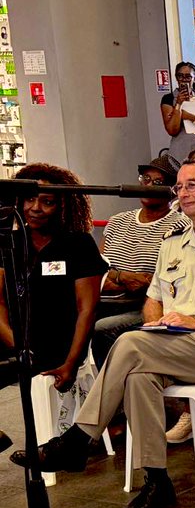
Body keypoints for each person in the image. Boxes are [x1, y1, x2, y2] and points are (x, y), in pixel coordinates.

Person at [11, 159, 195, 508]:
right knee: (138, 375)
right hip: (170, 345)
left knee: (129, 342)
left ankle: (79, 438)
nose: (183, 194)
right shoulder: (173, 243)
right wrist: (157, 325)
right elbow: (153, 298)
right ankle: (157, 480)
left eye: (192, 185)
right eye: (179, 187)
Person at [0, 164, 104, 393]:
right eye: (29, 199)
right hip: (14, 343)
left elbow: (87, 310)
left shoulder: (78, 244)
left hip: (58, 347)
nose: (35, 208)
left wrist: (71, 363)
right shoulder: (9, 242)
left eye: (47, 202)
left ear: (62, 205)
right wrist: (19, 347)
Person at [94, 156, 189, 366]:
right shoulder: (118, 221)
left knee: (102, 329)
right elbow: (98, 268)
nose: (149, 186)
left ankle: (114, 385)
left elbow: (162, 281)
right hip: (104, 301)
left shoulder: (181, 225)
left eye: (158, 182)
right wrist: (123, 277)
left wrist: (116, 277)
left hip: (145, 306)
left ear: (172, 190)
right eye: (146, 179)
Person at [160, 61, 195, 161]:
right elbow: (172, 130)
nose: (184, 80)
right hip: (181, 152)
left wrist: (190, 117)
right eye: (180, 76)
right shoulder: (168, 99)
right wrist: (178, 104)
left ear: (194, 78)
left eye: (188, 77)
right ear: (176, 77)